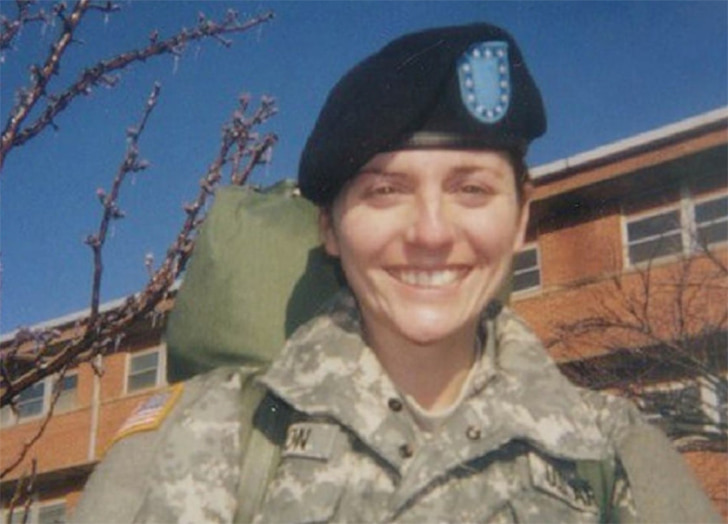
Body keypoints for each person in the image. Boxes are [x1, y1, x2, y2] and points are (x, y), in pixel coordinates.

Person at [73, 22, 721, 523]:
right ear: (330, 228)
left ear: (521, 217)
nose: (432, 233)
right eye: (386, 191)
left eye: (471, 189)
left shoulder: (611, 454)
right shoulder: (209, 434)